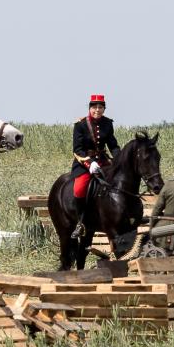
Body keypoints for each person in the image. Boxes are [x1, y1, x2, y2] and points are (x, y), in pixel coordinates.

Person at [69, 94, 120, 240]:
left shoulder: (108, 124)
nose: (97, 110)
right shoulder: (80, 125)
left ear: (104, 109)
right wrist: (89, 163)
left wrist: (119, 158)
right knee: (79, 188)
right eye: (95, 107)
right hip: (84, 163)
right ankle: (80, 223)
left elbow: (113, 145)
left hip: (103, 162)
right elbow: (77, 149)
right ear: (90, 108)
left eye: (101, 107)